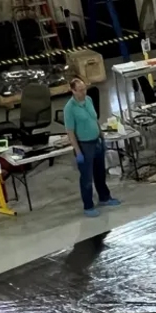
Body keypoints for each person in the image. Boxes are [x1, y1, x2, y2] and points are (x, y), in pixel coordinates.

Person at [62, 77, 121, 216]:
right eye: (80, 90)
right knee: (87, 178)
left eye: (84, 89)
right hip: (84, 145)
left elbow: (95, 120)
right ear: (73, 91)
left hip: (96, 142)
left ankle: (104, 197)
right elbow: (70, 132)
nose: (84, 92)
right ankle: (88, 206)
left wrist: (102, 137)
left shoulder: (88, 100)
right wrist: (78, 152)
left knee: (100, 173)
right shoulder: (69, 109)